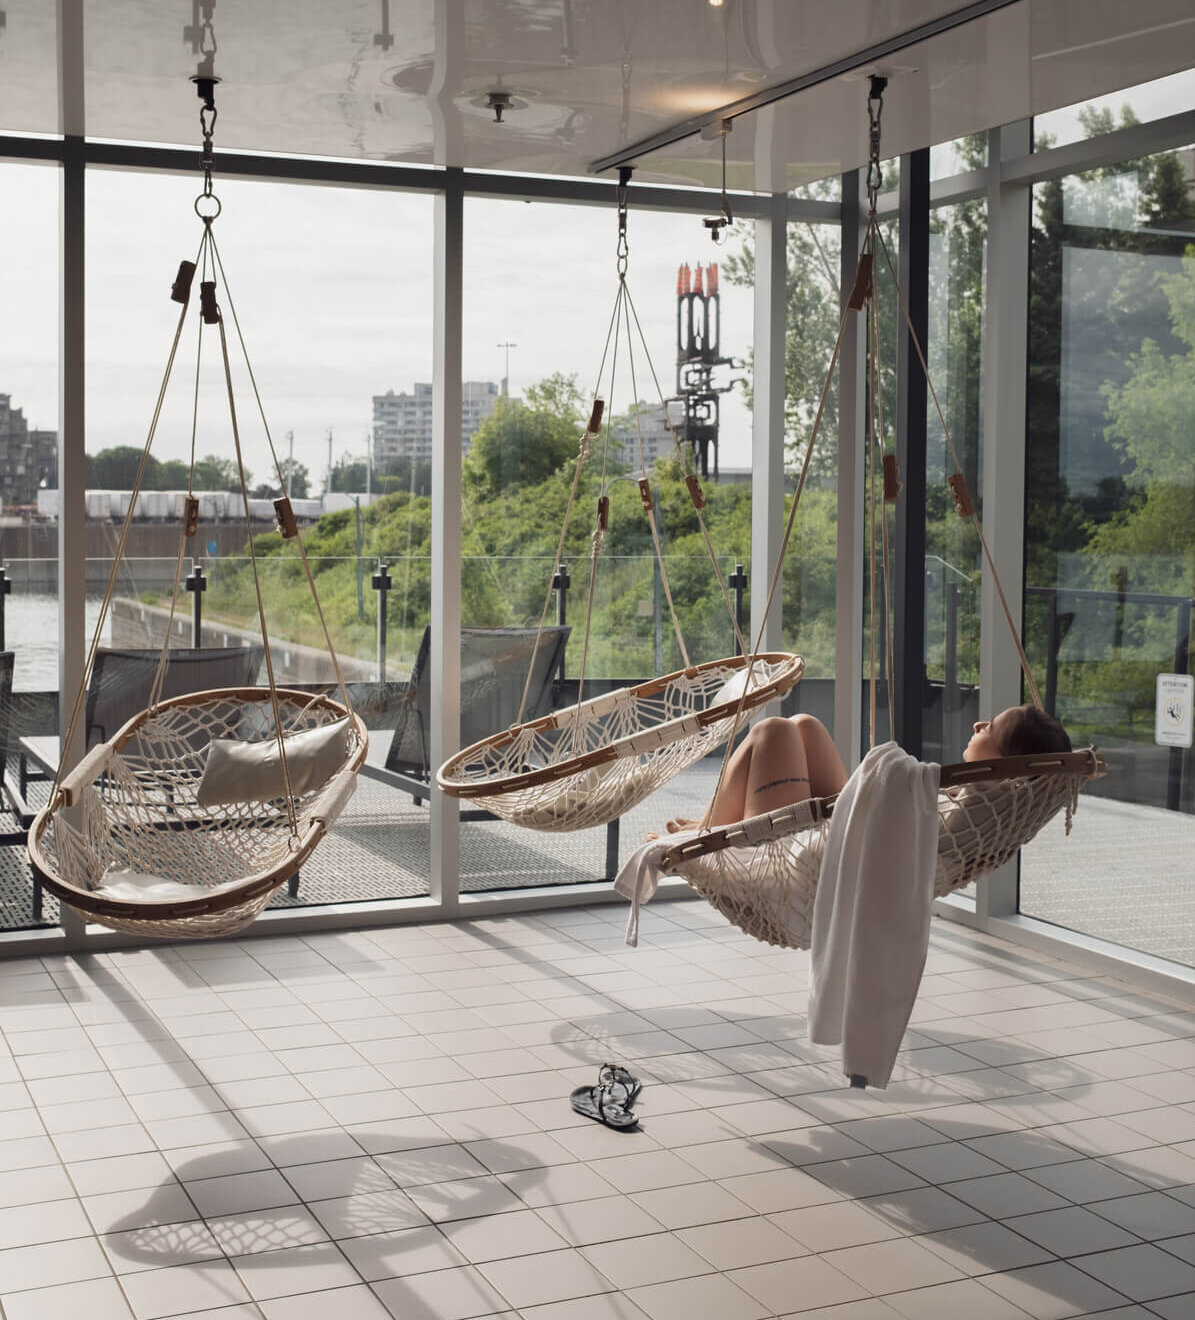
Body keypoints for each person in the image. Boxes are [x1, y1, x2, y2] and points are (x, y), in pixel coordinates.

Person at [661, 703, 1071, 834]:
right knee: (803, 726)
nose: (980, 724)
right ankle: (710, 827)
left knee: (773, 730)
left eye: (993, 728)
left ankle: (708, 834)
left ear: (1009, 763)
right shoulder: (986, 800)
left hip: (810, 852)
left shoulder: (986, 798)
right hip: (848, 831)